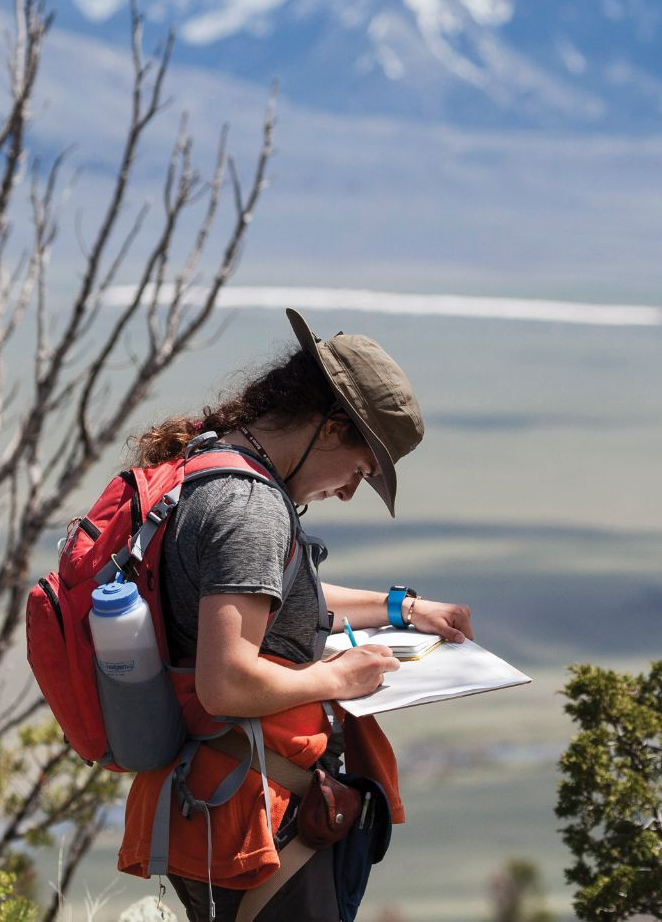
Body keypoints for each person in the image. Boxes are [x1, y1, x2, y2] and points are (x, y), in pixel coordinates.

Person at [115, 309, 474, 922]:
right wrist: (342, 677)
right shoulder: (251, 508)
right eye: (360, 469)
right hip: (253, 818)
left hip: (212, 799)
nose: (349, 490)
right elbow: (226, 681)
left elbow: (272, 601)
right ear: (331, 427)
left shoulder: (211, 464)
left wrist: (404, 608)